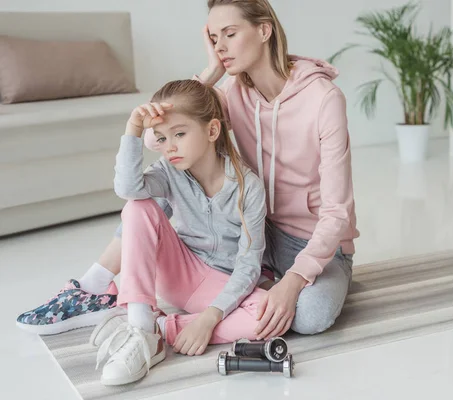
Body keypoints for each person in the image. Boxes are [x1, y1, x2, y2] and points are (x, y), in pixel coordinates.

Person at [16, 0, 359, 341]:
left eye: (230, 34)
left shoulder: (323, 98)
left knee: (310, 316)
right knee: (167, 180)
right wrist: (213, 71)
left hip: (308, 239)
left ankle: (163, 326)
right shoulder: (232, 91)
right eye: (213, 38)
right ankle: (92, 287)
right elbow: (156, 137)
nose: (220, 47)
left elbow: (336, 213)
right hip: (255, 233)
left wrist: (294, 280)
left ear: (264, 30)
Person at [97, 79, 268, 385]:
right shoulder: (167, 171)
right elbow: (128, 188)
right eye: (161, 138)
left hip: (218, 285)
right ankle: (139, 325)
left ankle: (159, 331)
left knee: (268, 316)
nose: (170, 146)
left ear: (212, 131)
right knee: (138, 206)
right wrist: (133, 128)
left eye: (179, 134)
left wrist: (208, 319)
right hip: (177, 273)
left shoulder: (248, 187)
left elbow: (249, 264)